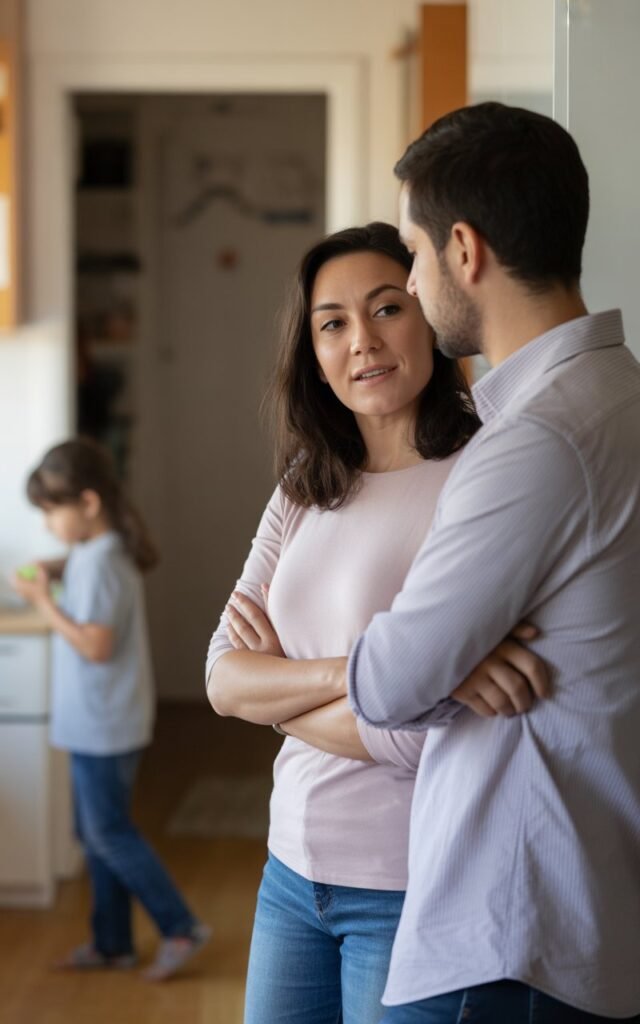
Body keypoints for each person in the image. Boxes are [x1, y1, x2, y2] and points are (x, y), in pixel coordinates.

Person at [206, 222, 548, 1024]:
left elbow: (433, 736)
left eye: (387, 308)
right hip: (290, 872)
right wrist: (366, 676)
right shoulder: (306, 481)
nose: (362, 341)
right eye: (332, 323)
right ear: (313, 353)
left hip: (413, 886)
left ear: (429, 312)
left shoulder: (484, 473)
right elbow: (222, 675)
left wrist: (279, 695)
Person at [345, 103, 640, 1022]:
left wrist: (428, 660)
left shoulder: (537, 440)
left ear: (463, 250)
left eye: (414, 253)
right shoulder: (617, 393)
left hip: (512, 936)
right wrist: (450, 659)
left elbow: (389, 681)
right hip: (577, 914)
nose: (413, 278)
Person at [11, 438, 211, 981]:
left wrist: (43, 603)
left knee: (108, 832)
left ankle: (179, 925)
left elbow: (96, 645)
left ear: (89, 503)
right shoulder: (97, 549)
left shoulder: (101, 563)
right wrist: (53, 567)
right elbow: (80, 563)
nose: (49, 523)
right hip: (96, 720)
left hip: (104, 724)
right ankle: (112, 942)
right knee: (94, 831)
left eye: (53, 510)